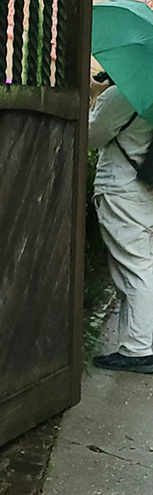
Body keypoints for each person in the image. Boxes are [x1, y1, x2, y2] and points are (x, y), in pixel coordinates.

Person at [88, 72, 153, 372]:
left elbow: (91, 136)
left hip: (122, 188)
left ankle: (139, 350)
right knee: (141, 265)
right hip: (145, 191)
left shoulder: (127, 91)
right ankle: (138, 343)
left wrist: (96, 98)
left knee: (135, 267)